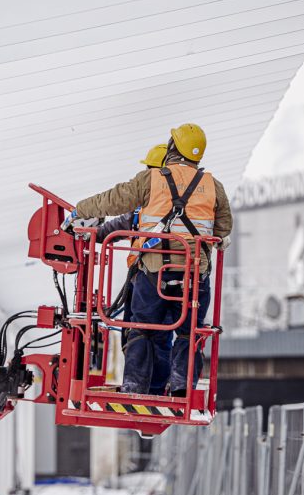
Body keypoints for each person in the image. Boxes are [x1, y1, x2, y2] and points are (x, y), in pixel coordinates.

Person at [70, 124, 232, 396]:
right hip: (194, 275)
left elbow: (113, 199)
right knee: (189, 332)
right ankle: (183, 390)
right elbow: (223, 228)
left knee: (142, 329)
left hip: (155, 271)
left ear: (172, 147)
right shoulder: (214, 186)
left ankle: (135, 386)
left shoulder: (152, 179)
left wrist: (79, 211)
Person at [94, 143, 174, 395]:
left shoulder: (144, 210)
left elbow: (111, 228)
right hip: (176, 282)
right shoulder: (185, 209)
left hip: (145, 278)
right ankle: (157, 388)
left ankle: (135, 386)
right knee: (163, 336)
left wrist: (89, 233)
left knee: (138, 331)